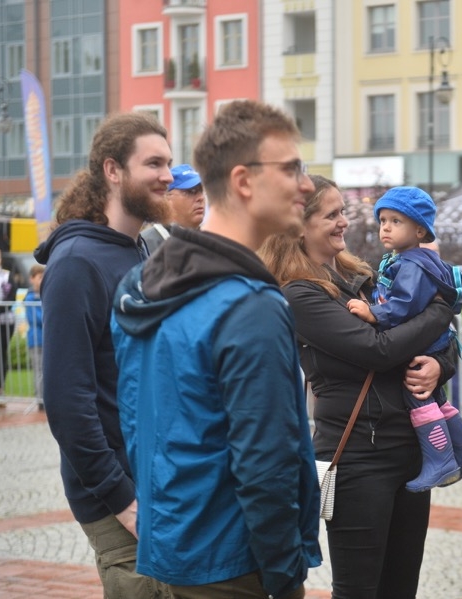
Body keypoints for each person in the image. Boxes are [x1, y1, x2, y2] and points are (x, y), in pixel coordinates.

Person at [111, 100, 322, 599]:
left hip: (169, 548)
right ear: (245, 181)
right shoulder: (251, 306)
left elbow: (139, 421)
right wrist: (285, 574)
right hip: (234, 563)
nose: (307, 185)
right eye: (292, 168)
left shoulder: (142, 283)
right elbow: (265, 463)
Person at [259, 174, 459, 598]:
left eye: (343, 212)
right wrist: (441, 313)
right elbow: (379, 349)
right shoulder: (300, 294)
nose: (344, 222)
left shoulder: (365, 277)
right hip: (357, 459)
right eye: (332, 214)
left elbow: (435, 344)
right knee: (359, 590)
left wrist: (439, 366)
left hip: (409, 450)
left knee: (400, 586)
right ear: (299, 224)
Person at [33, 111, 173, 597]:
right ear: (113, 170)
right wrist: (122, 499)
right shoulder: (76, 263)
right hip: (121, 498)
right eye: (153, 163)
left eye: (169, 163)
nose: (168, 175)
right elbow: (67, 402)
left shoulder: (138, 250)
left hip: (161, 480)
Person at [346, 186, 462, 493]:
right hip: (433, 341)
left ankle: (440, 461)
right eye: (383, 220)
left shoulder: (411, 263)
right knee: (437, 399)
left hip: (421, 345)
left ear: (420, 229)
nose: (386, 228)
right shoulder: (420, 260)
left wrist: (374, 314)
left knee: (417, 397)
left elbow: (404, 303)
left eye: (396, 221)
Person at [141, 163, 207, 254]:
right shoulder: (147, 244)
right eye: (191, 192)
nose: (200, 198)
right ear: (167, 198)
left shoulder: (210, 242)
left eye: (201, 191)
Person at [0, 246, 17, 404]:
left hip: (4, 321)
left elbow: (10, 299)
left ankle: (1, 388)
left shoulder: (8, 276)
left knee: (0, 353)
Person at [24, 264, 44, 407]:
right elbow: (36, 319)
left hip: (48, 339)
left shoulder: (47, 294)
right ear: (32, 279)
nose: (42, 280)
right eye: (39, 277)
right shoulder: (29, 298)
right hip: (36, 339)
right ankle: (40, 399)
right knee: (39, 370)